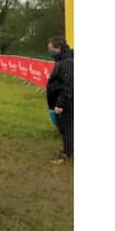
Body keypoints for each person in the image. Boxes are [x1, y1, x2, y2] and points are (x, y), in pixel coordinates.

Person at [46, 36, 74, 165]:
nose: (49, 51)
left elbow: (68, 85)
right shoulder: (62, 60)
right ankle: (68, 150)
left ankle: (66, 153)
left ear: (58, 48)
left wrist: (60, 104)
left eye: (51, 49)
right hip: (64, 101)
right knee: (66, 128)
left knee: (67, 128)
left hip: (66, 103)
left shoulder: (66, 62)